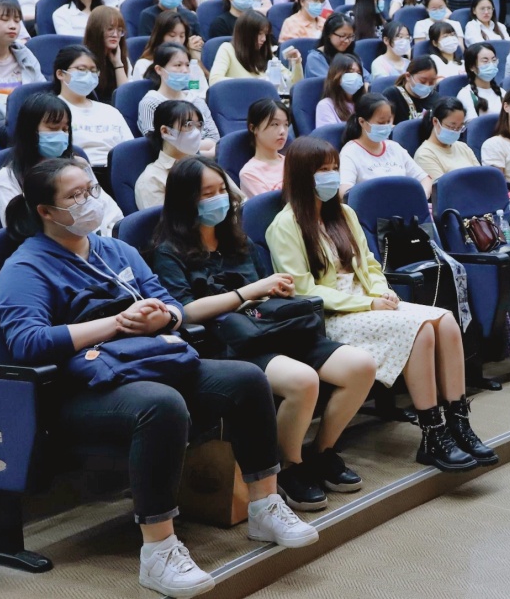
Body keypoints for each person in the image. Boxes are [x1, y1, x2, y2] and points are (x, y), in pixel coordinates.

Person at [0, 159, 319, 598]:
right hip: (82, 388)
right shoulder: (25, 267)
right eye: (75, 196)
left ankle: (264, 506)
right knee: (161, 404)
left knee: (246, 378)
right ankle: (159, 550)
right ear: (45, 211)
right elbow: (27, 342)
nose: (89, 201)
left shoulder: (116, 251)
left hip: (148, 360)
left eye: (91, 190)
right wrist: (117, 324)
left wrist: (161, 318)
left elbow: (174, 307)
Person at [151, 155, 376, 511]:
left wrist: (277, 289)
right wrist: (247, 293)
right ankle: (287, 466)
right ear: (185, 200)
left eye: (220, 190)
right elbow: (185, 311)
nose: (217, 199)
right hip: (229, 342)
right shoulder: (169, 252)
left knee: (361, 366)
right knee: (303, 380)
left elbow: (266, 289)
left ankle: (321, 451)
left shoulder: (238, 240)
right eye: (206, 193)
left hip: (272, 328)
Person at [266, 137, 498, 471]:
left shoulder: (344, 213)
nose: (331, 176)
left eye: (334, 168)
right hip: (333, 314)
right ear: (303, 176)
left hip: (369, 303)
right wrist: (366, 304)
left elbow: (370, 265)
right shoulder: (284, 226)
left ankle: (458, 423)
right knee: (419, 328)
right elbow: (304, 291)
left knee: (446, 320)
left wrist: (381, 292)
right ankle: (433, 432)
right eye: (323, 170)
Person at [0, 90, 122, 231]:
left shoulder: (79, 165)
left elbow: (111, 213)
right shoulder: (8, 177)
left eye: (65, 129)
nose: (61, 135)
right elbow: (18, 230)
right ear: (30, 131)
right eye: (53, 128)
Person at [136, 98, 236, 209]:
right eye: (188, 125)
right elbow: (162, 219)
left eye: (198, 125)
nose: (196, 132)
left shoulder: (209, 166)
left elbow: (241, 203)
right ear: (165, 131)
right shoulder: (152, 179)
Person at [51, 44, 132, 170]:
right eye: (81, 69)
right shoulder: (51, 111)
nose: (88, 75)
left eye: (93, 71)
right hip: (74, 172)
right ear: (61, 74)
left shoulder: (110, 111)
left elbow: (129, 150)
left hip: (117, 172)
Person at [339, 92, 431, 195]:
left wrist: (421, 196)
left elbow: (425, 179)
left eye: (389, 121)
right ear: (362, 122)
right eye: (381, 122)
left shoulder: (394, 147)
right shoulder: (350, 153)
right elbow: (345, 192)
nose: (386, 126)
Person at [137, 42, 220, 142]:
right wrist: (197, 147)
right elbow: (156, 143)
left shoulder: (195, 99)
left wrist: (190, 146)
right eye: (178, 65)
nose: (185, 70)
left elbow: (214, 138)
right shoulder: (150, 103)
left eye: (187, 65)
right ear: (159, 69)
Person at [209, 10, 304, 85]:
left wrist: (296, 63)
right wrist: (255, 83)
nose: (264, 39)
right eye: (259, 34)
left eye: (265, 34)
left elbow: (294, 84)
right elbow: (214, 80)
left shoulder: (265, 53)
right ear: (245, 33)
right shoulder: (227, 49)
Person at [132, 10, 207, 92]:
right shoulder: (143, 64)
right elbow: (140, 94)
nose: (177, 41)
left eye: (182, 36)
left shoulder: (190, 64)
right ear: (160, 36)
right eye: (172, 35)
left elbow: (200, 91)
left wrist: (196, 59)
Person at [413, 97, 479, 182]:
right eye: (451, 127)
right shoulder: (424, 155)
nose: (455, 131)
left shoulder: (463, 147)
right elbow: (442, 188)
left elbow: (481, 176)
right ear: (435, 122)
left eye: (459, 127)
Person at [239, 98, 291, 199]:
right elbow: (272, 207)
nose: (282, 131)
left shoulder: (292, 162)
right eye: (275, 124)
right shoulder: (250, 174)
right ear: (253, 128)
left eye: (286, 125)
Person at [82, 5, 130, 103]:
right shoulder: (82, 59)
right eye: (110, 29)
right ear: (96, 30)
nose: (115, 35)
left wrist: (118, 64)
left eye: (119, 30)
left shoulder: (121, 59)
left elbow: (125, 99)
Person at [381, 56, 438, 123]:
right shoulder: (392, 95)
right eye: (422, 81)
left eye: (431, 82)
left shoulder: (436, 98)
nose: (427, 85)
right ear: (408, 76)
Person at [316, 53, 366, 128]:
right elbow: (329, 134)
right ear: (336, 76)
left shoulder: (363, 104)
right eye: (350, 72)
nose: (355, 76)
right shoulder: (325, 105)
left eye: (359, 73)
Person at [456, 42, 502, 117]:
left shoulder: (502, 92)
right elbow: (472, 123)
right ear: (472, 67)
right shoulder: (466, 94)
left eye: (494, 60)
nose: (491, 65)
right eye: (485, 61)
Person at [306, 12, 356, 79]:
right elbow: (329, 82)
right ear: (329, 34)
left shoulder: (349, 54)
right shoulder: (315, 58)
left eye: (350, 36)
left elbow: (366, 77)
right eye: (342, 36)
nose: (347, 41)